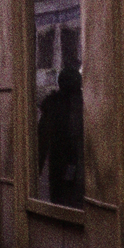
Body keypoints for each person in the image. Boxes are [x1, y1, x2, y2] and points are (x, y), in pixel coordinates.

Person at [37, 65, 84, 206]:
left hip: (59, 159)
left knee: (59, 198)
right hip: (77, 158)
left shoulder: (52, 104)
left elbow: (42, 139)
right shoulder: (83, 103)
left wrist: (37, 167)